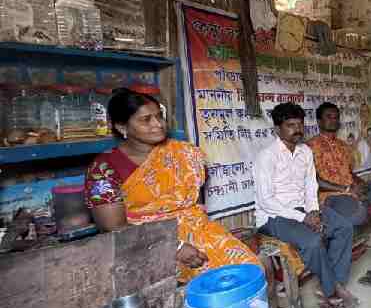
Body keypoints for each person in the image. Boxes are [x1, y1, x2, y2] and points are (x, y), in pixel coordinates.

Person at [84, 88, 260, 282]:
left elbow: (195, 203)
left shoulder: (185, 153)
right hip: (144, 244)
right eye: (146, 120)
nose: (158, 124)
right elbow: (114, 228)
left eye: (160, 116)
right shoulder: (105, 168)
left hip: (199, 232)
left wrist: (196, 234)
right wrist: (174, 246)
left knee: (251, 271)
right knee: (205, 288)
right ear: (121, 127)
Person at [254, 102, 357, 308]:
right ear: (277, 129)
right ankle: (333, 292)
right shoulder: (266, 156)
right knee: (312, 241)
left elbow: (311, 187)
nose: (297, 129)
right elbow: (266, 201)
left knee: (343, 227)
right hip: (274, 216)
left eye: (299, 124)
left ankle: (332, 283)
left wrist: (314, 212)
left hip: (303, 210)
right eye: (290, 125)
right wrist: (303, 217)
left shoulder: (305, 152)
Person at [306, 102, 371, 231]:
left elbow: (349, 172)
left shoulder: (343, 145)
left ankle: (362, 201)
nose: (333, 120)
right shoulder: (309, 147)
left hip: (351, 189)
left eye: (336, 117)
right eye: (329, 117)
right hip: (331, 195)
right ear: (319, 121)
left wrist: (360, 183)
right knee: (359, 215)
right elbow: (315, 181)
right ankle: (364, 203)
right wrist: (348, 190)